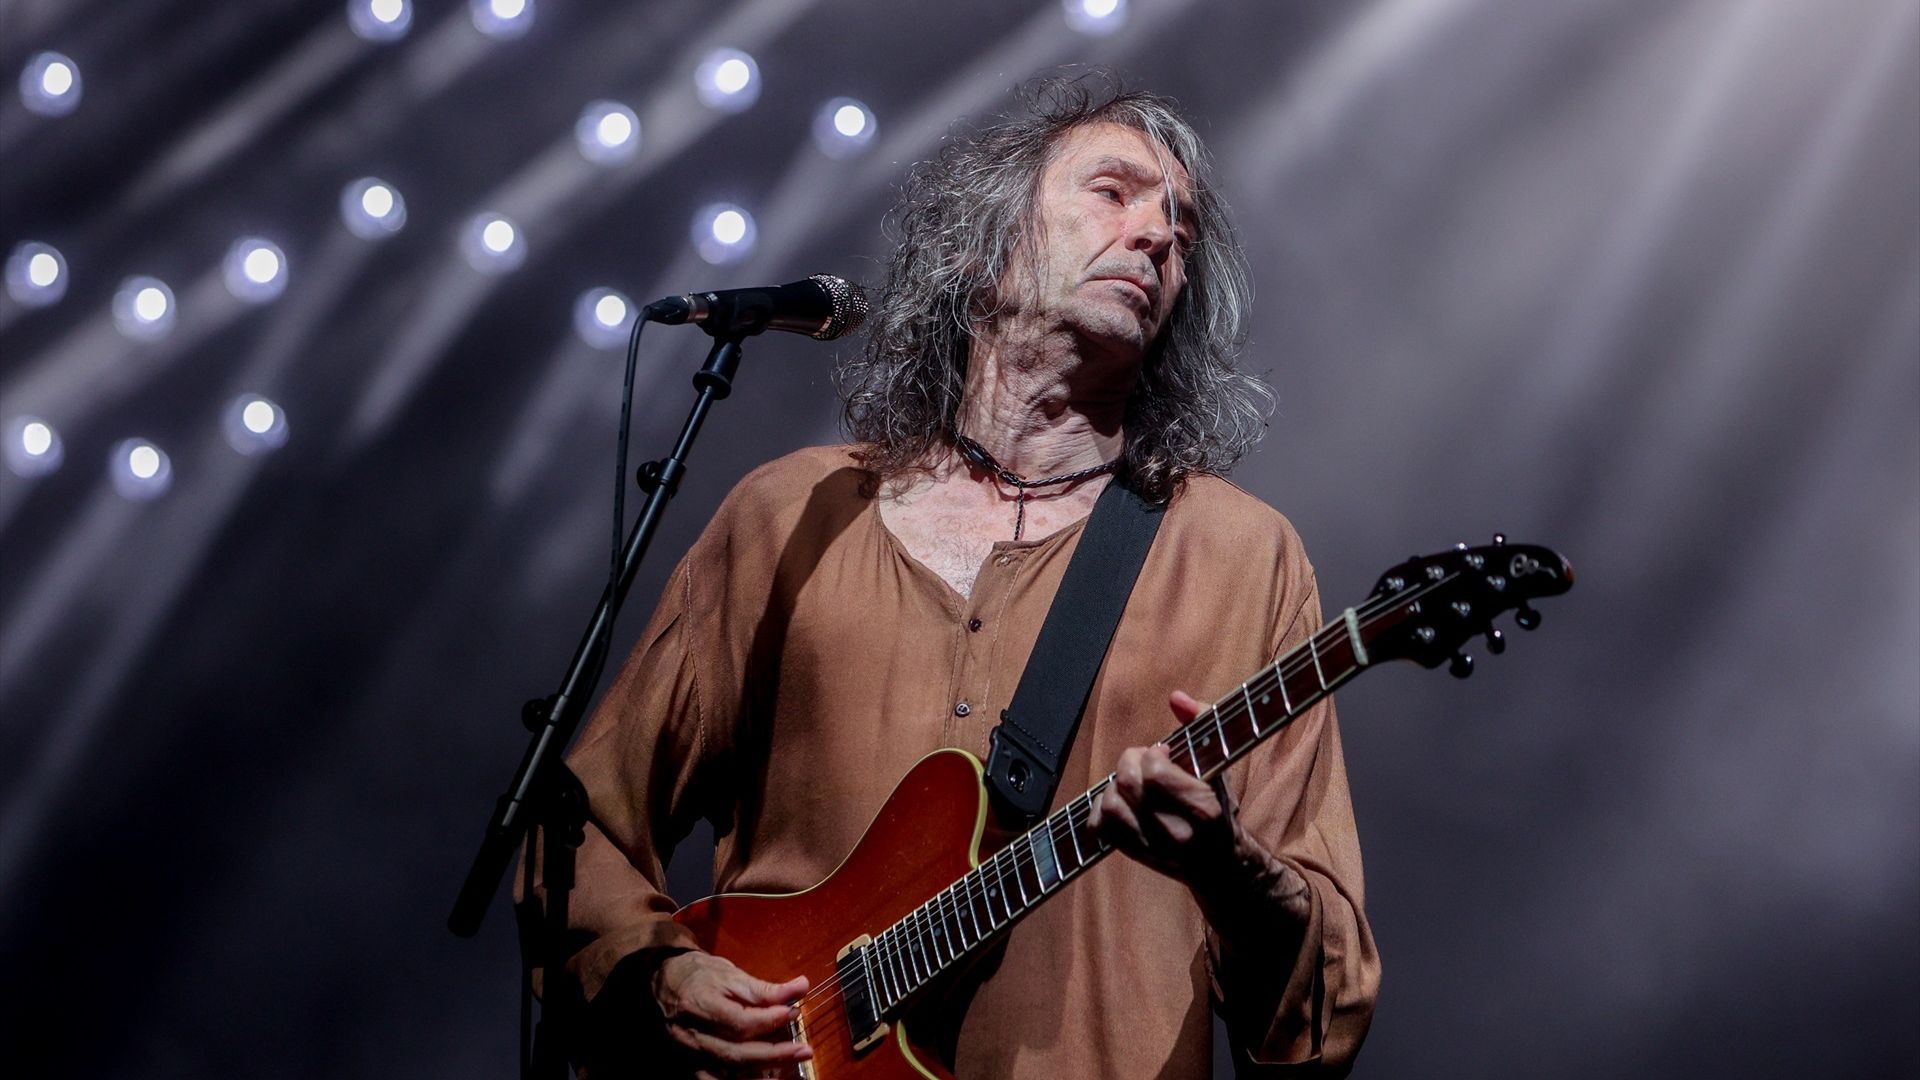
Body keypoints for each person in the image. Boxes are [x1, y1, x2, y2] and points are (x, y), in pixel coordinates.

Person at [533, 75, 1380, 1078]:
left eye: (1182, 229)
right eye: (1116, 193)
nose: (1158, 235)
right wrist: (654, 975)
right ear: (985, 245)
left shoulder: (1242, 557)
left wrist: (1231, 871)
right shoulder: (791, 516)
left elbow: (1325, 1009)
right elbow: (576, 826)